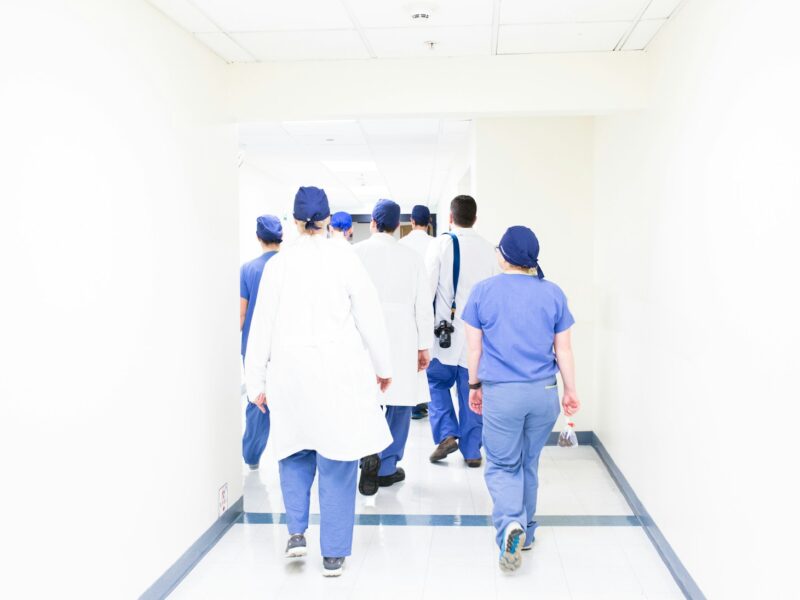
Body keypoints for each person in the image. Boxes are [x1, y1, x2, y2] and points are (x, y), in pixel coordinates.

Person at [245, 186, 393, 577]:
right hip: (337, 375)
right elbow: (370, 316)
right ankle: (333, 554)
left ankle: (296, 534)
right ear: (327, 220)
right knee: (338, 460)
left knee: (294, 452)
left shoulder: (278, 265)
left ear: (294, 222)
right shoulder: (345, 258)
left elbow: (260, 327)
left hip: (290, 376)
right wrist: (384, 366)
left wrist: (255, 380)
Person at [461, 226, 580, 572]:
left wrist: (473, 386)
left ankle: (510, 523)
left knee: (501, 464)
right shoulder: (553, 293)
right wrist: (571, 391)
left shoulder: (483, 292)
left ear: (504, 255)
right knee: (528, 463)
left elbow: (474, 349)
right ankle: (526, 532)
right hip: (543, 394)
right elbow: (565, 350)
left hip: (503, 393)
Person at [354, 200, 433, 495]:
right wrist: (424, 346)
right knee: (400, 401)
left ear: (373, 223)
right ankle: (386, 467)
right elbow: (423, 307)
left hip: (364, 335)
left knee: (366, 397)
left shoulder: (356, 254)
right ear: (397, 226)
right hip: (403, 335)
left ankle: (366, 453)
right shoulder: (412, 258)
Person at [425, 195, 498, 467]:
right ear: (475, 219)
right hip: (477, 338)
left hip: (444, 335)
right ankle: (472, 451)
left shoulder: (442, 244)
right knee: (473, 390)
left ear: (451, 218)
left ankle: (446, 434)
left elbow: (427, 290)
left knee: (436, 383)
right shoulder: (490, 250)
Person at [239, 215, 283, 470]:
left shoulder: (248, 269)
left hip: (255, 344)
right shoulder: (290, 266)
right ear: (282, 238)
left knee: (258, 399)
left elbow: (242, 314)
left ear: (258, 238)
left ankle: (252, 456)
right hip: (285, 344)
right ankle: (294, 456)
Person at [400, 204, 435, 420]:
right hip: (429, 305)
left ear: (412, 222)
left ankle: (413, 403)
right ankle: (424, 401)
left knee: (408, 354)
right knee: (428, 354)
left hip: (407, 307)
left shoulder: (402, 245)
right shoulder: (437, 243)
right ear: (429, 223)